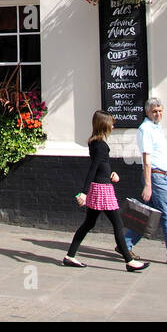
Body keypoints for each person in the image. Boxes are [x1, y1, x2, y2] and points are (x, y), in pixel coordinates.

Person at [63, 111, 149, 272]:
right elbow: (93, 167)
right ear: (104, 125)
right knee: (117, 224)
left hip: (101, 185)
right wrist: (83, 192)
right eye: (111, 123)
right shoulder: (101, 145)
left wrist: (110, 174)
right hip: (102, 190)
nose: (113, 125)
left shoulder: (94, 142)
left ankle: (70, 256)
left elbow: (100, 167)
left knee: (89, 223)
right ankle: (129, 261)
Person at [123, 97, 167, 266]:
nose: (158, 114)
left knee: (150, 216)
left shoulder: (156, 128)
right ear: (147, 112)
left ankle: (124, 244)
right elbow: (146, 159)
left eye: (160, 111)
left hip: (162, 176)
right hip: (155, 177)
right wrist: (148, 184)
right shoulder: (145, 129)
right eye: (154, 111)